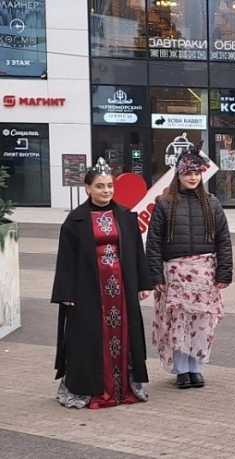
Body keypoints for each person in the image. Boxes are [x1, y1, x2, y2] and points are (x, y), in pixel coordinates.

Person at [51, 157, 152, 409]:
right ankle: (92, 387)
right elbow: (65, 259)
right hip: (89, 289)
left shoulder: (127, 217)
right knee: (90, 338)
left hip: (122, 288)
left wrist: (142, 283)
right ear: (88, 189)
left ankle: (124, 386)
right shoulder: (74, 221)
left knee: (126, 334)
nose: (106, 191)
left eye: (109, 186)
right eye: (99, 186)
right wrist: (66, 292)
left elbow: (136, 252)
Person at [146, 147, 233, 390]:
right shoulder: (164, 203)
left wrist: (224, 272)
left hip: (205, 272)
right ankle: (181, 370)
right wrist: (155, 274)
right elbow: (153, 242)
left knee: (202, 323)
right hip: (175, 273)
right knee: (178, 323)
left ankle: (197, 367)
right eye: (188, 174)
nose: (193, 178)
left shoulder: (212, 203)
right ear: (178, 176)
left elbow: (223, 239)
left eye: (196, 173)